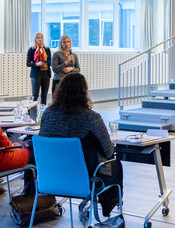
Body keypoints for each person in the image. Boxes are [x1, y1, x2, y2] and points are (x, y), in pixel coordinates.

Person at [40, 72, 122, 217]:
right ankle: (107, 208)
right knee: (115, 165)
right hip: (82, 180)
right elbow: (108, 151)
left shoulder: (48, 114)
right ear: (84, 92)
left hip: (50, 178)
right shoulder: (90, 118)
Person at [27, 33, 52, 105]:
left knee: (44, 95)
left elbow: (50, 61)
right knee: (35, 95)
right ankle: (33, 110)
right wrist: (37, 64)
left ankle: (43, 109)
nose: (40, 39)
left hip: (46, 73)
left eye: (41, 37)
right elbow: (28, 63)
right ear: (35, 39)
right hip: (36, 74)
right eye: (38, 38)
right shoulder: (32, 49)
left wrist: (45, 62)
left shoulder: (47, 49)